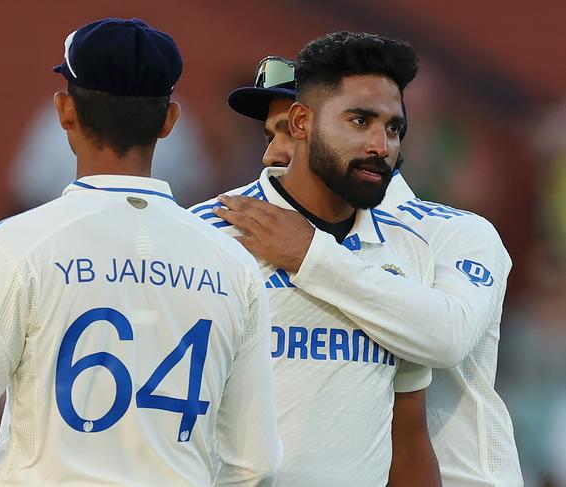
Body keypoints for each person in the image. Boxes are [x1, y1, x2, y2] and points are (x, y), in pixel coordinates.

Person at [0, 18, 282, 487]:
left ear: (65, 111)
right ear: (170, 120)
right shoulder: (232, 262)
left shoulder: (17, 246)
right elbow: (256, 465)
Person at [216, 44, 522, 487]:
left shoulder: (453, 234)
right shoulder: (249, 230)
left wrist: (310, 253)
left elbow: (445, 337)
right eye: (272, 135)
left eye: (288, 129)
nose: (274, 153)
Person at [191, 32, 441, 486]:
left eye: (393, 128)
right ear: (302, 122)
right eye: (360, 121)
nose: (381, 146)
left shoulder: (409, 250)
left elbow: (408, 440)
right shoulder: (208, 235)